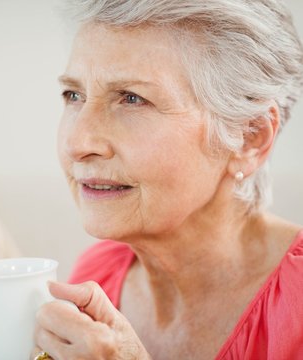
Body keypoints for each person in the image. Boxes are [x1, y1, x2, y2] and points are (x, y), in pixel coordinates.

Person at [31, 1, 303, 359]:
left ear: (249, 137)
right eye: (74, 95)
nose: (79, 143)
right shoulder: (96, 276)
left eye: (132, 99)